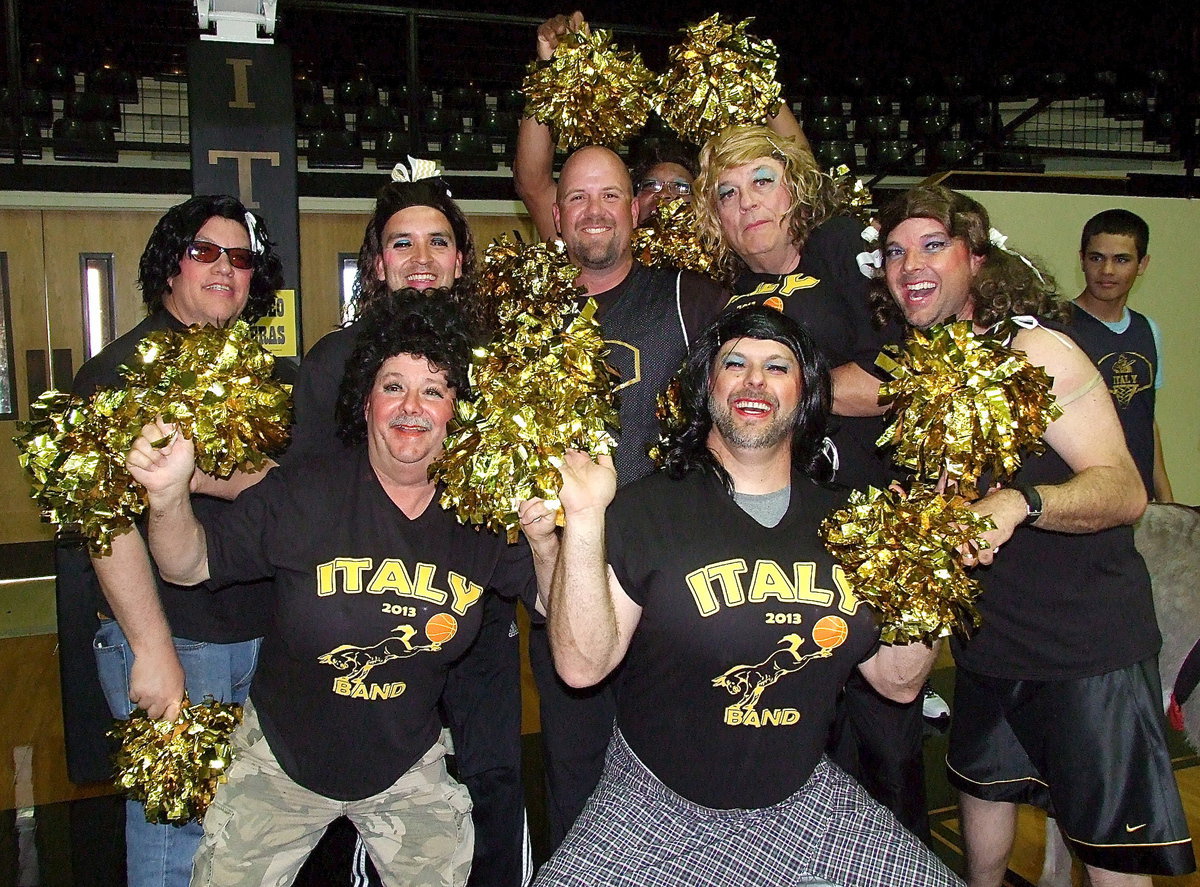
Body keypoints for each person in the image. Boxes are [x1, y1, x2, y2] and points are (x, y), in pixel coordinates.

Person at [128, 294, 559, 887]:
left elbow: (557, 608)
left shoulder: (480, 512)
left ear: (458, 410)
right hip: (279, 760)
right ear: (364, 404)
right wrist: (168, 497)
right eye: (393, 386)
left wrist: (551, 540)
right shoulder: (306, 493)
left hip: (406, 765)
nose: (412, 407)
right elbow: (188, 564)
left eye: (434, 390)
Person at [535, 305, 961, 887]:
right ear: (707, 385)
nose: (754, 380)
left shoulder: (855, 522)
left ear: (806, 393)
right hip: (653, 808)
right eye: (734, 363)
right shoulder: (643, 510)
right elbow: (582, 668)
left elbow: (898, 680)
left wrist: (931, 570)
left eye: (777, 367)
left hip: (807, 806)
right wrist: (585, 518)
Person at [873, 184, 1194, 887]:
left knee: (1111, 860)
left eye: (932, 245)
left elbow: (1124, 489)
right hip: (992, 645)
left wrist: (1021, 501)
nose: (908, 264)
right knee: (983, 846)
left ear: (977, 259)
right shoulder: (929, 364)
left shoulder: (1036, 349)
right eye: (895, 251)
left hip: (1086, 653)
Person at [286, 169, 530, 887]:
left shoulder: (500, 361)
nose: (421, 258)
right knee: (370, 796)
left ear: (460, 258)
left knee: (489, 778)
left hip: (476, 617)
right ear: (379, 261)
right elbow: (304, 501)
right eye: (402, 243)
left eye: (438, 241)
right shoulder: (335, 362)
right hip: (370, 619)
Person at [693, 123, 932, 840]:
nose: (747, 205)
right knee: (800, 736)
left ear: (796, 184)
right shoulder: (731, 291)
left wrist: (787, 386)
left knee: (886, 743)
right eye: (727, 194)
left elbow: (904, 371)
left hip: (873, 530)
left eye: (762, 181)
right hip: (785, 541)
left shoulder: (840, 247)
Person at [61, 195, 289, 887]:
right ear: (170, 266)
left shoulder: (264, 374)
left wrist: (217, 477)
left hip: (258, 634)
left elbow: (288, 488)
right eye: (205, 252)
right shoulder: (116, 375)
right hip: (174, 639)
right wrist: (155, 652)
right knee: (176, 838)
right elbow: (105, 529)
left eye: (241, 256)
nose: (226, 268)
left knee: (253, 829)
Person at [522, 139, 729, 851]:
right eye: (577, 197)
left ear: (637, 208)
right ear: (556, 214)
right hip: (560, 581)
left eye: (609, 194)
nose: (594, 211)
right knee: (575, 777)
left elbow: (746, 410)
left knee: (677, 778)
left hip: (668, 592)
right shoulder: (528, 312)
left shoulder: (687, 298)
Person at [513, 11, 811, 242]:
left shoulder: (730, 250)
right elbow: (533, 184)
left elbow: (804, 174)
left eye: (682, 187)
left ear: (705, 206)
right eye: (650, 186)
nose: (665, 196)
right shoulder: (598, 246)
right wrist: (549, 73)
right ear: (631, 207)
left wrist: (756, 85)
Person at [1072, 208, 1172, 501]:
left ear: (1142, 264)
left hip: (1139, 500)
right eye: (1097, 258)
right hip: (1081, 501)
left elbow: (1146, 419)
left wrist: (1167, 501)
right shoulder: (1055, 328)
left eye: (1122, 260)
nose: (1107, 271)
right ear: (1081, 259)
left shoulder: (1148, 330)